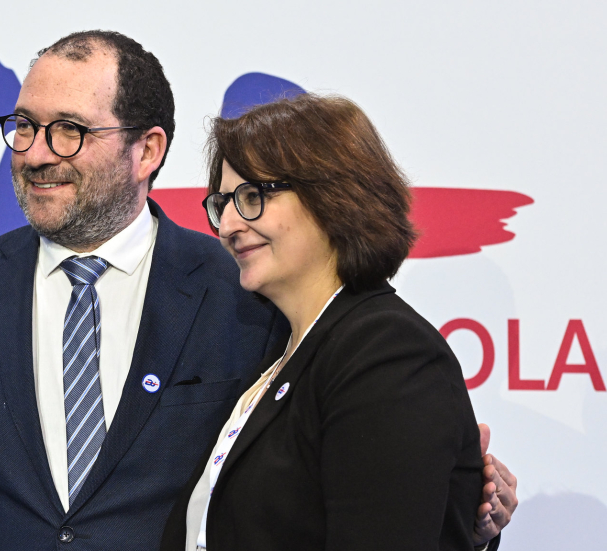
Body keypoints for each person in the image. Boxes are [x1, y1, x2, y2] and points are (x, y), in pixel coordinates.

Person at [0, 31, 516, 551]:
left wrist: (460, 511)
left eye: (69, 129)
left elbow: (347, 488)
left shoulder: (245, 293)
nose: (37, 152)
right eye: (25, 125)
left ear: (146, 149)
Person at [160, 93, 506, 551]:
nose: (226, 226)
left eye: (249, 197)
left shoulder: (386, 350)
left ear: (332, 196)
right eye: (222, 203)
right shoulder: (282, 354)